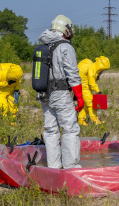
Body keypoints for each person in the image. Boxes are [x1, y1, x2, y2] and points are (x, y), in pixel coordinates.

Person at [38, 15, 84, 169]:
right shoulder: (65, 47)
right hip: (61, 93)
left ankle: (53, 168)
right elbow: (73, 74)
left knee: (51, 131)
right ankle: (71, 168)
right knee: (70, 129)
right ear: (65, 29)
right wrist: (80, 97)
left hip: (44, 94)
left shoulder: (45, 45)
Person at [78, 56, 110, 125]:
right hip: (84, 88)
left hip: (85, 88)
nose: (102, 72)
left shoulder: (93, 68)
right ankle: (95, 121)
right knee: (91, 103)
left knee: (86, 106)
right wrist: (98, 91)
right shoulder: (91, 68)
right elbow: (91, 83)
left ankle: (81, 120)